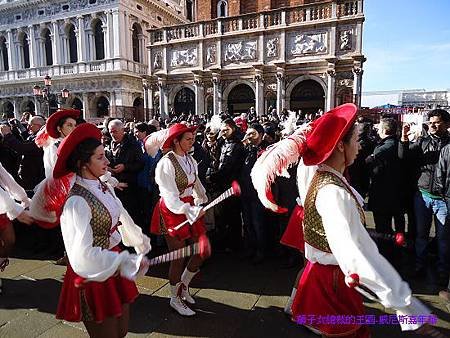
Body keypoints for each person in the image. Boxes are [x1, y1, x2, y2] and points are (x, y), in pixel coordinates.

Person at [251, 104, 435, 337]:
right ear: (339, 145)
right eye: (356, 139)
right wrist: (406, 306)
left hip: (331, 278)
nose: (359, 146)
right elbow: (356, 256)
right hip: (334, 282)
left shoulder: (328, 180)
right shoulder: (331, 191)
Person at [53, 123, 151, 337]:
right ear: (82, 164)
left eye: (105, 155)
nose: (107, 161)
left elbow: (120, 214)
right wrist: (121, 262)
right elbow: (80, 256)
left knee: (122, 332)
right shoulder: (76, 201)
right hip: (93, 274)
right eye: (100, 157)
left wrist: (138, 243)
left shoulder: (102, 184)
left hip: (113, 261)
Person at [150, 123, 208, 316]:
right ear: (176, 141)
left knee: (201, 250)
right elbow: (168, 195)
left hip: (189, 206)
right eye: (188, 139)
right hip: (172, 209)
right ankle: (174, 299)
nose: (193, 141)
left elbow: (195, 181)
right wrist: (187, 210)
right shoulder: (166, 163)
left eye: (193, 138)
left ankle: (184, 285)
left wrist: (201, 198)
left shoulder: (190, 159)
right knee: (179, 256)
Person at [399, 109, 450, 284]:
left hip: (444, 199)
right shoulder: (422, 142)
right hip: (422, 196)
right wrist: (405, 139)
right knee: (421, 234)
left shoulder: (449, 144)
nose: (433, 126)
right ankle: (420, 265)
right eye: (431, 123)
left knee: (444, 238)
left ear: (447, 124)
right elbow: (404, 156)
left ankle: (443, 269)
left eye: (437, 122)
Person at [0, 162, 34, 295]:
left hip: (2, 209)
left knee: (10, 240)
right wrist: (16, 210)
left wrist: (23, 198)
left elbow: (7, 178)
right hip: (4, 205)